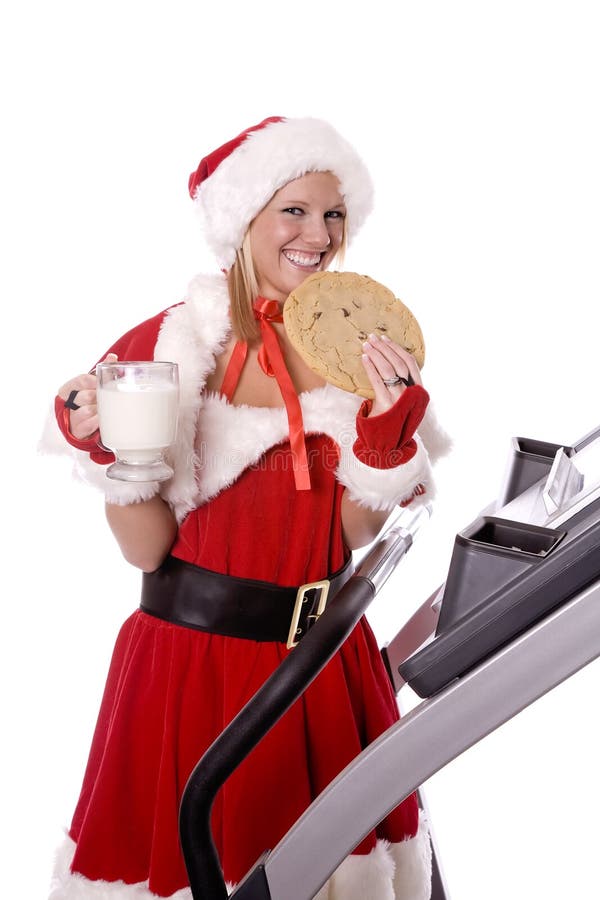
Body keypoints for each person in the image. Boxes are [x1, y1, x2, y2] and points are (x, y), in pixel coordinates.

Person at [45, 116, 450, 900]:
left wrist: (385, 441)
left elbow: (349, 534)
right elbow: (146, 551)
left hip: (325, 667)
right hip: (189, 671)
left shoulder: (360, 351)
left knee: (332, 871)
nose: (318, 234)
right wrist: (110, 455)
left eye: (332, 214)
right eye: (292, 210)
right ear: (244, 219)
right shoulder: (169, 346)